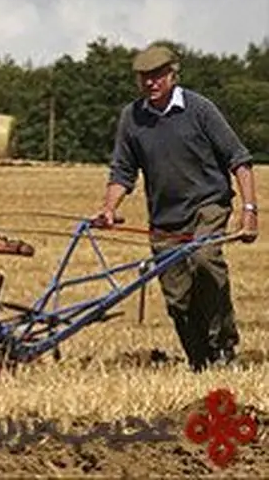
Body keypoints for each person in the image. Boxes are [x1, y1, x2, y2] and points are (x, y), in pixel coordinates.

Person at [96, 43, 258, 371]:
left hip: (207, 205)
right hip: (164, 218)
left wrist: (250, 210)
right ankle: (200, 360)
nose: (151, 83)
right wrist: (109, 209)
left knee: (204, 258)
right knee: (177, 297)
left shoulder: (199, 110)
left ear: (172, 74)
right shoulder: (132, 118)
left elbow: (239, 160)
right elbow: (123, 171)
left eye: (157, 76)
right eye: (144, 77)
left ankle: (224, 349)